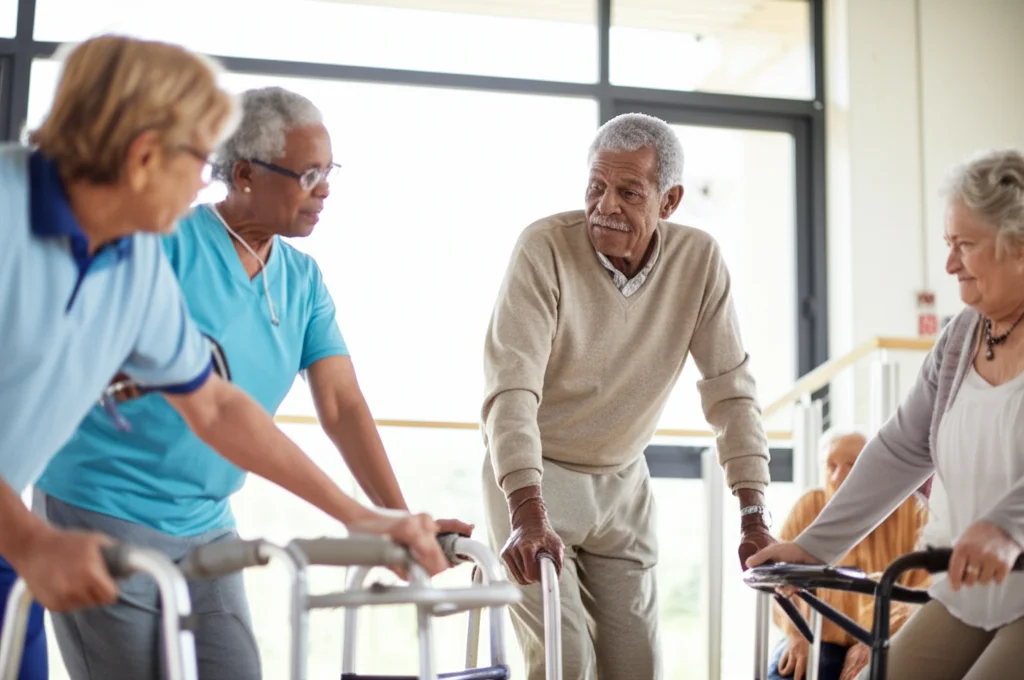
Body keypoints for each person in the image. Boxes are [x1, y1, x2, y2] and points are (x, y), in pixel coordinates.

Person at [0, 36, 445, 680]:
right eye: (199, 159)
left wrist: (366, 516)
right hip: (64, 519)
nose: (201, 184)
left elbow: (212, 405)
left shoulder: (135, 258)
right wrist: (34, 538)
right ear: (143, 153)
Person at [481, 112, 775, 680]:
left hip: (623, 485)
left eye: (628, 191)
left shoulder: (700, 262)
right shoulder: (543, 249)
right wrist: (526, 508)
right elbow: (510, 386)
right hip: (535, 481)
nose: (604, 206)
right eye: (596, 186)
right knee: (563, 662)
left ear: (669, 201)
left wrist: (753, 513)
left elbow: (731, 391)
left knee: (636, 663)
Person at [750, 148, 1024, 680]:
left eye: (965, 246)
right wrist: (814, 545)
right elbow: (901, 447)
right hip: (967, 587)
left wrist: (1007, 526)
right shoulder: (962, 337)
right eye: (949, 244)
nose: (949, 265)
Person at [768, 428, 928, 680]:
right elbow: (783, 580)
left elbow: (925, 590)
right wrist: (798, 633)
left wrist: (877, 639)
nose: (837, 476)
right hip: (817, 636)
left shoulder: (911, 510)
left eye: (850, 466)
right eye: (831, 466)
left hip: (890, 636)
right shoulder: (809, 506)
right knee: (792, 671)